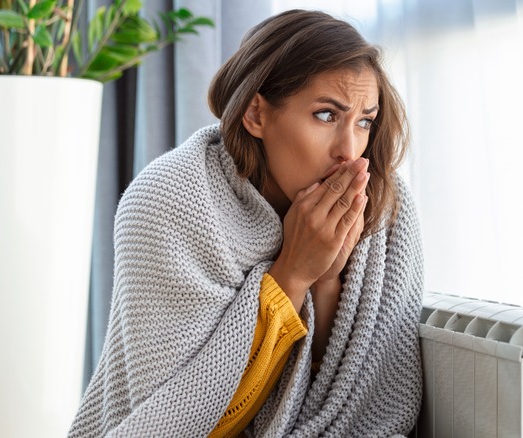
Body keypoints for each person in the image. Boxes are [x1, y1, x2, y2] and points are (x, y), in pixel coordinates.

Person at [69, 9, 424, 437]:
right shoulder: (167, 200)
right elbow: (181, 423)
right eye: (327, 116)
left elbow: (352, 403)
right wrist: (292, 275)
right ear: (256, 114)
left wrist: (327, 281)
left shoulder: (382, 207)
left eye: (364, 121)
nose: (350, 151)